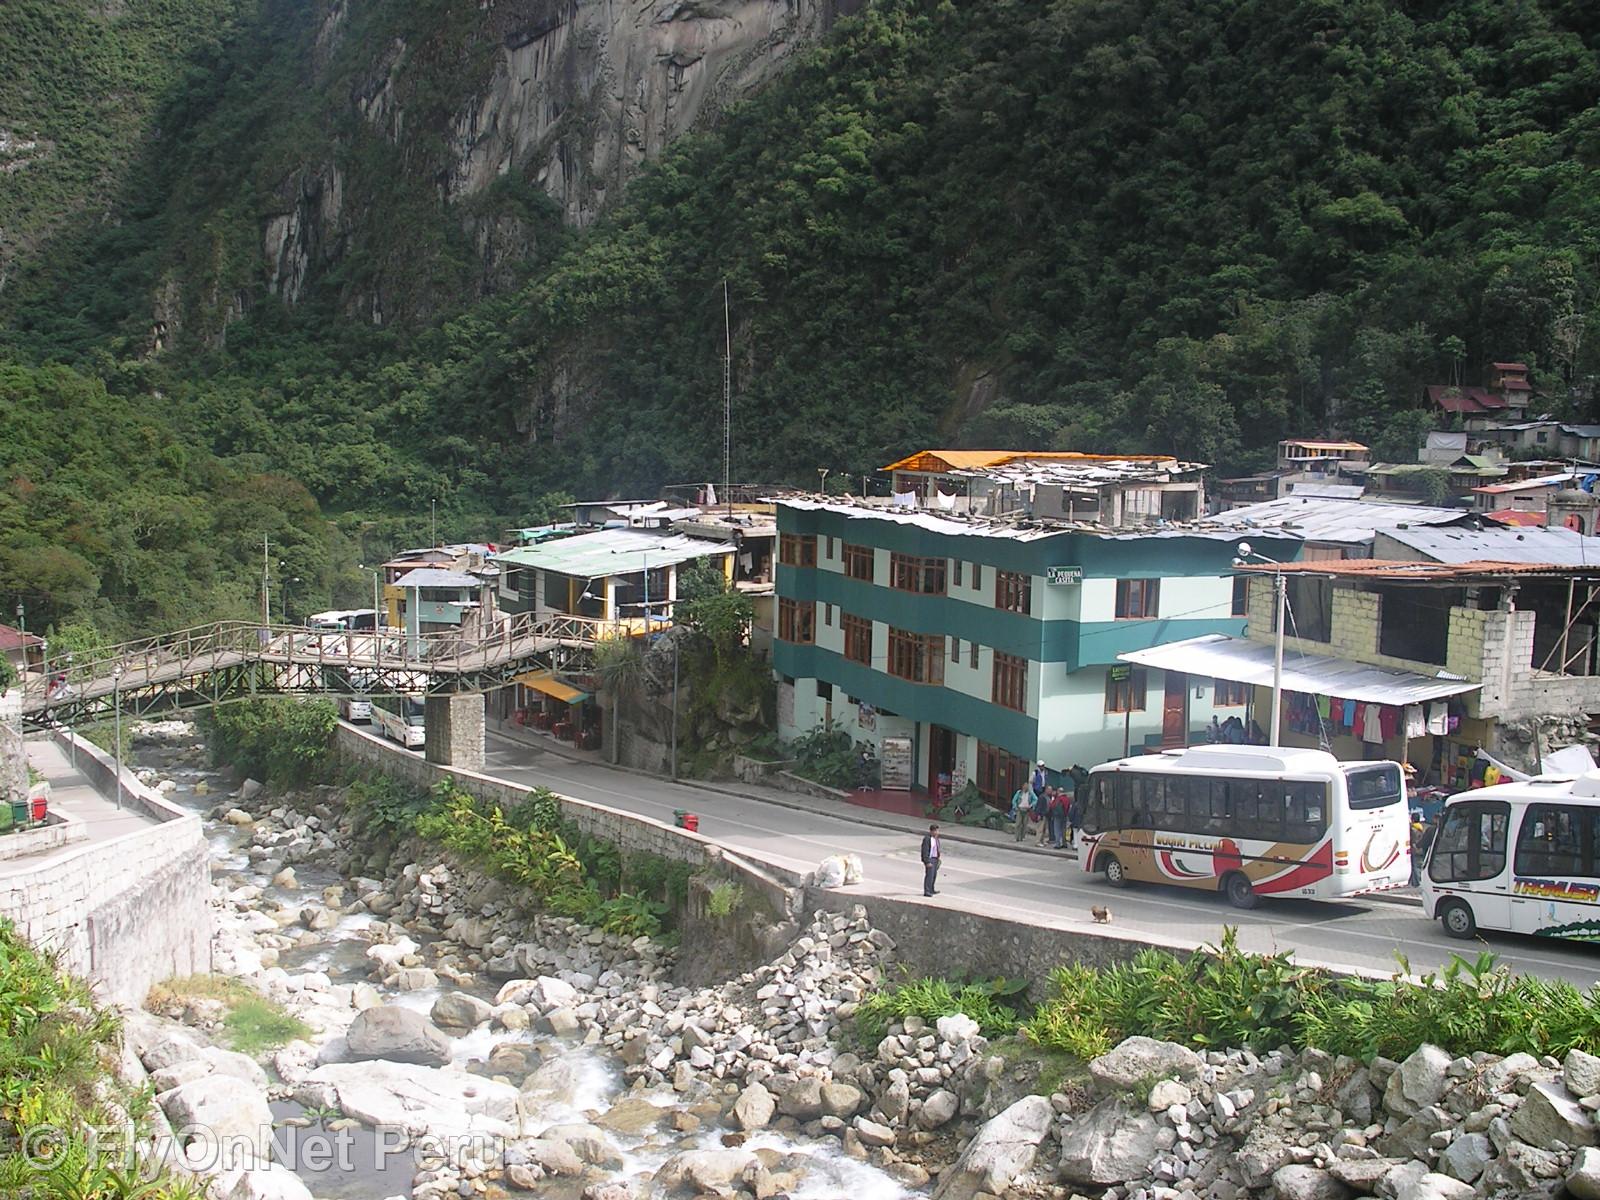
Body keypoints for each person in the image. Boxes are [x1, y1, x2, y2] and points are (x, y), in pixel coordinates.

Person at [920, 824, 942, 896]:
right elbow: (925, 851)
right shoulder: (927, 839)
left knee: (933, 875)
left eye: (937, 830)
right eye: (935, 831)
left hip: (935, 859)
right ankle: (927, 891)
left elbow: (937, 849)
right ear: (931, 831)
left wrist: (938, 858)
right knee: (929, 875)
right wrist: (927, 861)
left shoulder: (936, 839)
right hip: (930, 859)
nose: (937, 832)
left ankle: (932, 889)